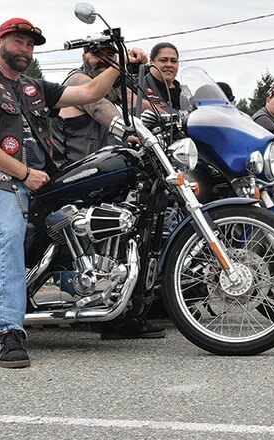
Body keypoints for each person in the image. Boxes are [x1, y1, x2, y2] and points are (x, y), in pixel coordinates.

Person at [0, 17, 144, 368]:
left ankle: (107, 304)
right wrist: (22, 172)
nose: (24, 48)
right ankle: (6, 331)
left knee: (84, 221)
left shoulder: (32, 88)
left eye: (30, 44)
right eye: (18, 41)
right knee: (10, 232)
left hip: (34, 180)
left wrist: (118, 64)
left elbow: (89, 94)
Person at [49, 46, 169, 341]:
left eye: (107, 53)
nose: (101, 58)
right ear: (84, 57)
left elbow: (143, 108)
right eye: (95, 54)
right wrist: (127, 127)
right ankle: (101, 306)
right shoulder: (76, 80)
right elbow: (100, 107)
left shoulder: (115, 89)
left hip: (105, 179)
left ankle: (128, 312)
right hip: (73, 179)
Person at [137, 42, 189, 112]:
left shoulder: (184, 93)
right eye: (163, 60)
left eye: (173, 61)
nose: (169, 65)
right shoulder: (139, 85)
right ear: (151, 62)